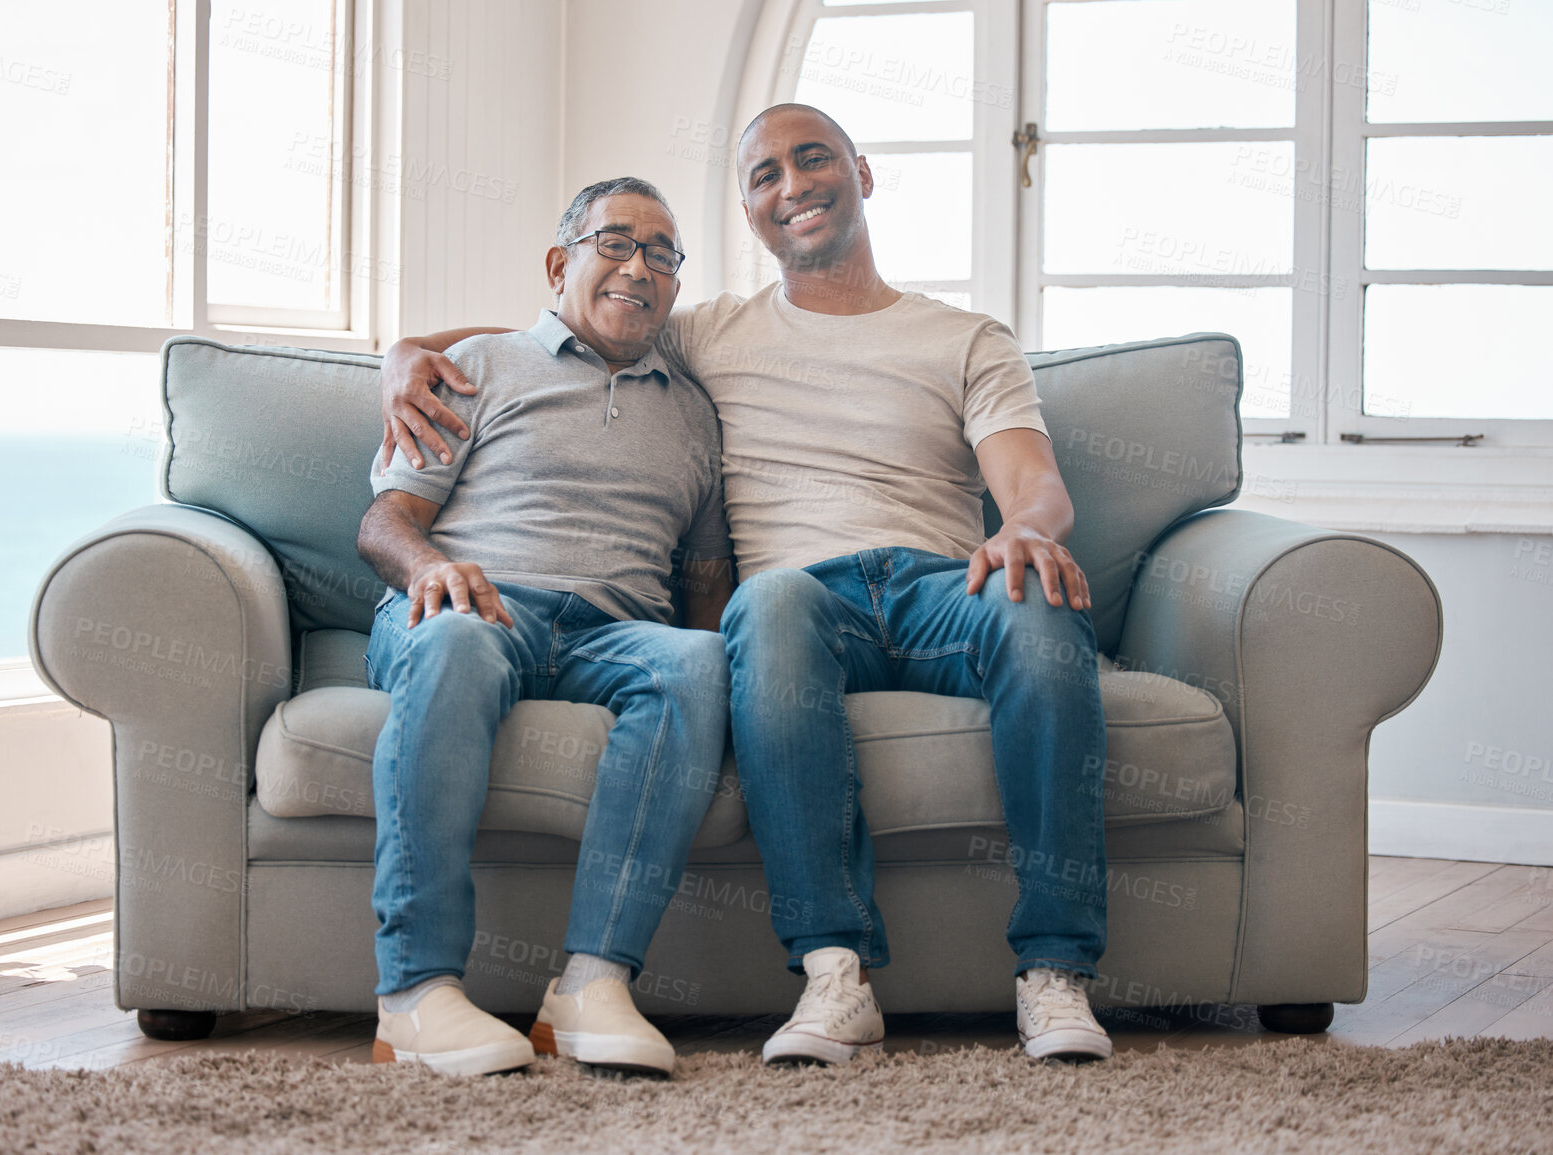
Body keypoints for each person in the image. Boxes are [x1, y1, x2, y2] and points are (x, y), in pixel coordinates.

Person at [377, 105, 1113, 1064]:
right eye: (765, 174)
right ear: (749, 208)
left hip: (940, 585)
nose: (793, 184)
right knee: (760, 605)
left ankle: (1054, 973)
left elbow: (1033, 484)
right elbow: (574, 322)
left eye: (813, 161)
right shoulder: (708, 332)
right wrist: (403, 352)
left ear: (862, 172)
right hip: (801, 599)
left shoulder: (966, 337)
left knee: (1039, 603)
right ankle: (833, 972)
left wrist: (1026, 533)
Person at [356, 176, 734, 1077]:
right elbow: (384, 524)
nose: (638, 268)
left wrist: (716, 656)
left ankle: (590, 984)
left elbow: (706, 580)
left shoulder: (694, 412)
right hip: (478, 603)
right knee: (450, 634)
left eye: (662, 254)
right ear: (560, 263)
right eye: (615, 243)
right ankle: (413, 993)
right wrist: (432, 568)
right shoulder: (475, 366)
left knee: (698, 663)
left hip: (616, 631)